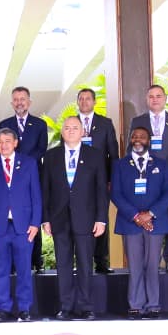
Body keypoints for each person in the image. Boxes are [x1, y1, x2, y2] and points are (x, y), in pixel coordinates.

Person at [40, 117, 108, 321]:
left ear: (82, 132)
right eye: (67, 128)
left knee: (86, 264)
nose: (70, 131)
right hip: (59, 219)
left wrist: (101, 219)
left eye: (75, 128)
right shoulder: (51, 156)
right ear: (62, 132)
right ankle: (66, 306)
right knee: (63, 265)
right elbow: (45, 190)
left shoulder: (95, 156)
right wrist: (45, 219)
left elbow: (101, 190)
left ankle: (86, 306)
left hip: (86, 219)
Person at [110, 127, 168, 319]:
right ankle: (136, 305)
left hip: (156, 222)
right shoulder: (120, 165)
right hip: (130, 223)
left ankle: (153, 304)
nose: (138, 139)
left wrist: (150, 214)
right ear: (130, 140)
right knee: (135, 265)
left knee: (152, 264)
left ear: (149, 141)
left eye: (142, 136)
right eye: (134, 136)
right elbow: (116, 193)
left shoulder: (161, 165)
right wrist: (136, 216)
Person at [0, 128, 41, 321]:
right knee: (1, 270)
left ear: (15, 143)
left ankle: (24, 308)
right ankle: (3, 308)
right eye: (0, 142)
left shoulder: (29, 163)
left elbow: (36, 196)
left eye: (7, 141)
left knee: (24, 269)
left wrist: (35, 223)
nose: (3, 145)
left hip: (23, 226)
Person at [129, 84, 168, 271]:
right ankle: (147, 259)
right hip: (144, 179)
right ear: (147, 100)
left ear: (165, 99)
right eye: (151, 96)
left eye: (158, 96)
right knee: (146, 215)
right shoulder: (138, 121)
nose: (155, 99)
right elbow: (130, 150)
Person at [0, 87, 47, 271]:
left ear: (29, 102)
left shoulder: (39, 124)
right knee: (11, 218)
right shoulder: (4, 123)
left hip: (32, 176)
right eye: (16, 99)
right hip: (8, 179)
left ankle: (37, 261)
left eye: (23, 99)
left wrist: (22, 164)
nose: (19, 102)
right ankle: (12, 263)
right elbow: (1, 151)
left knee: (33, 214)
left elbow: (41, 149)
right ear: (12, 103)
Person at [75, 88, 119, 274]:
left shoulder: (105, 123)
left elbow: (113, 153)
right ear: (78, 102)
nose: (84, 102)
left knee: (101, 219)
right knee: (78, 221)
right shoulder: (71, 123)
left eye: (88, 99)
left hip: (100, 181)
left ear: (94, 102)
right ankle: (81, 262)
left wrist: (111, 179)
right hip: (76, 183)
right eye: (81, 99)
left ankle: (101, 261)